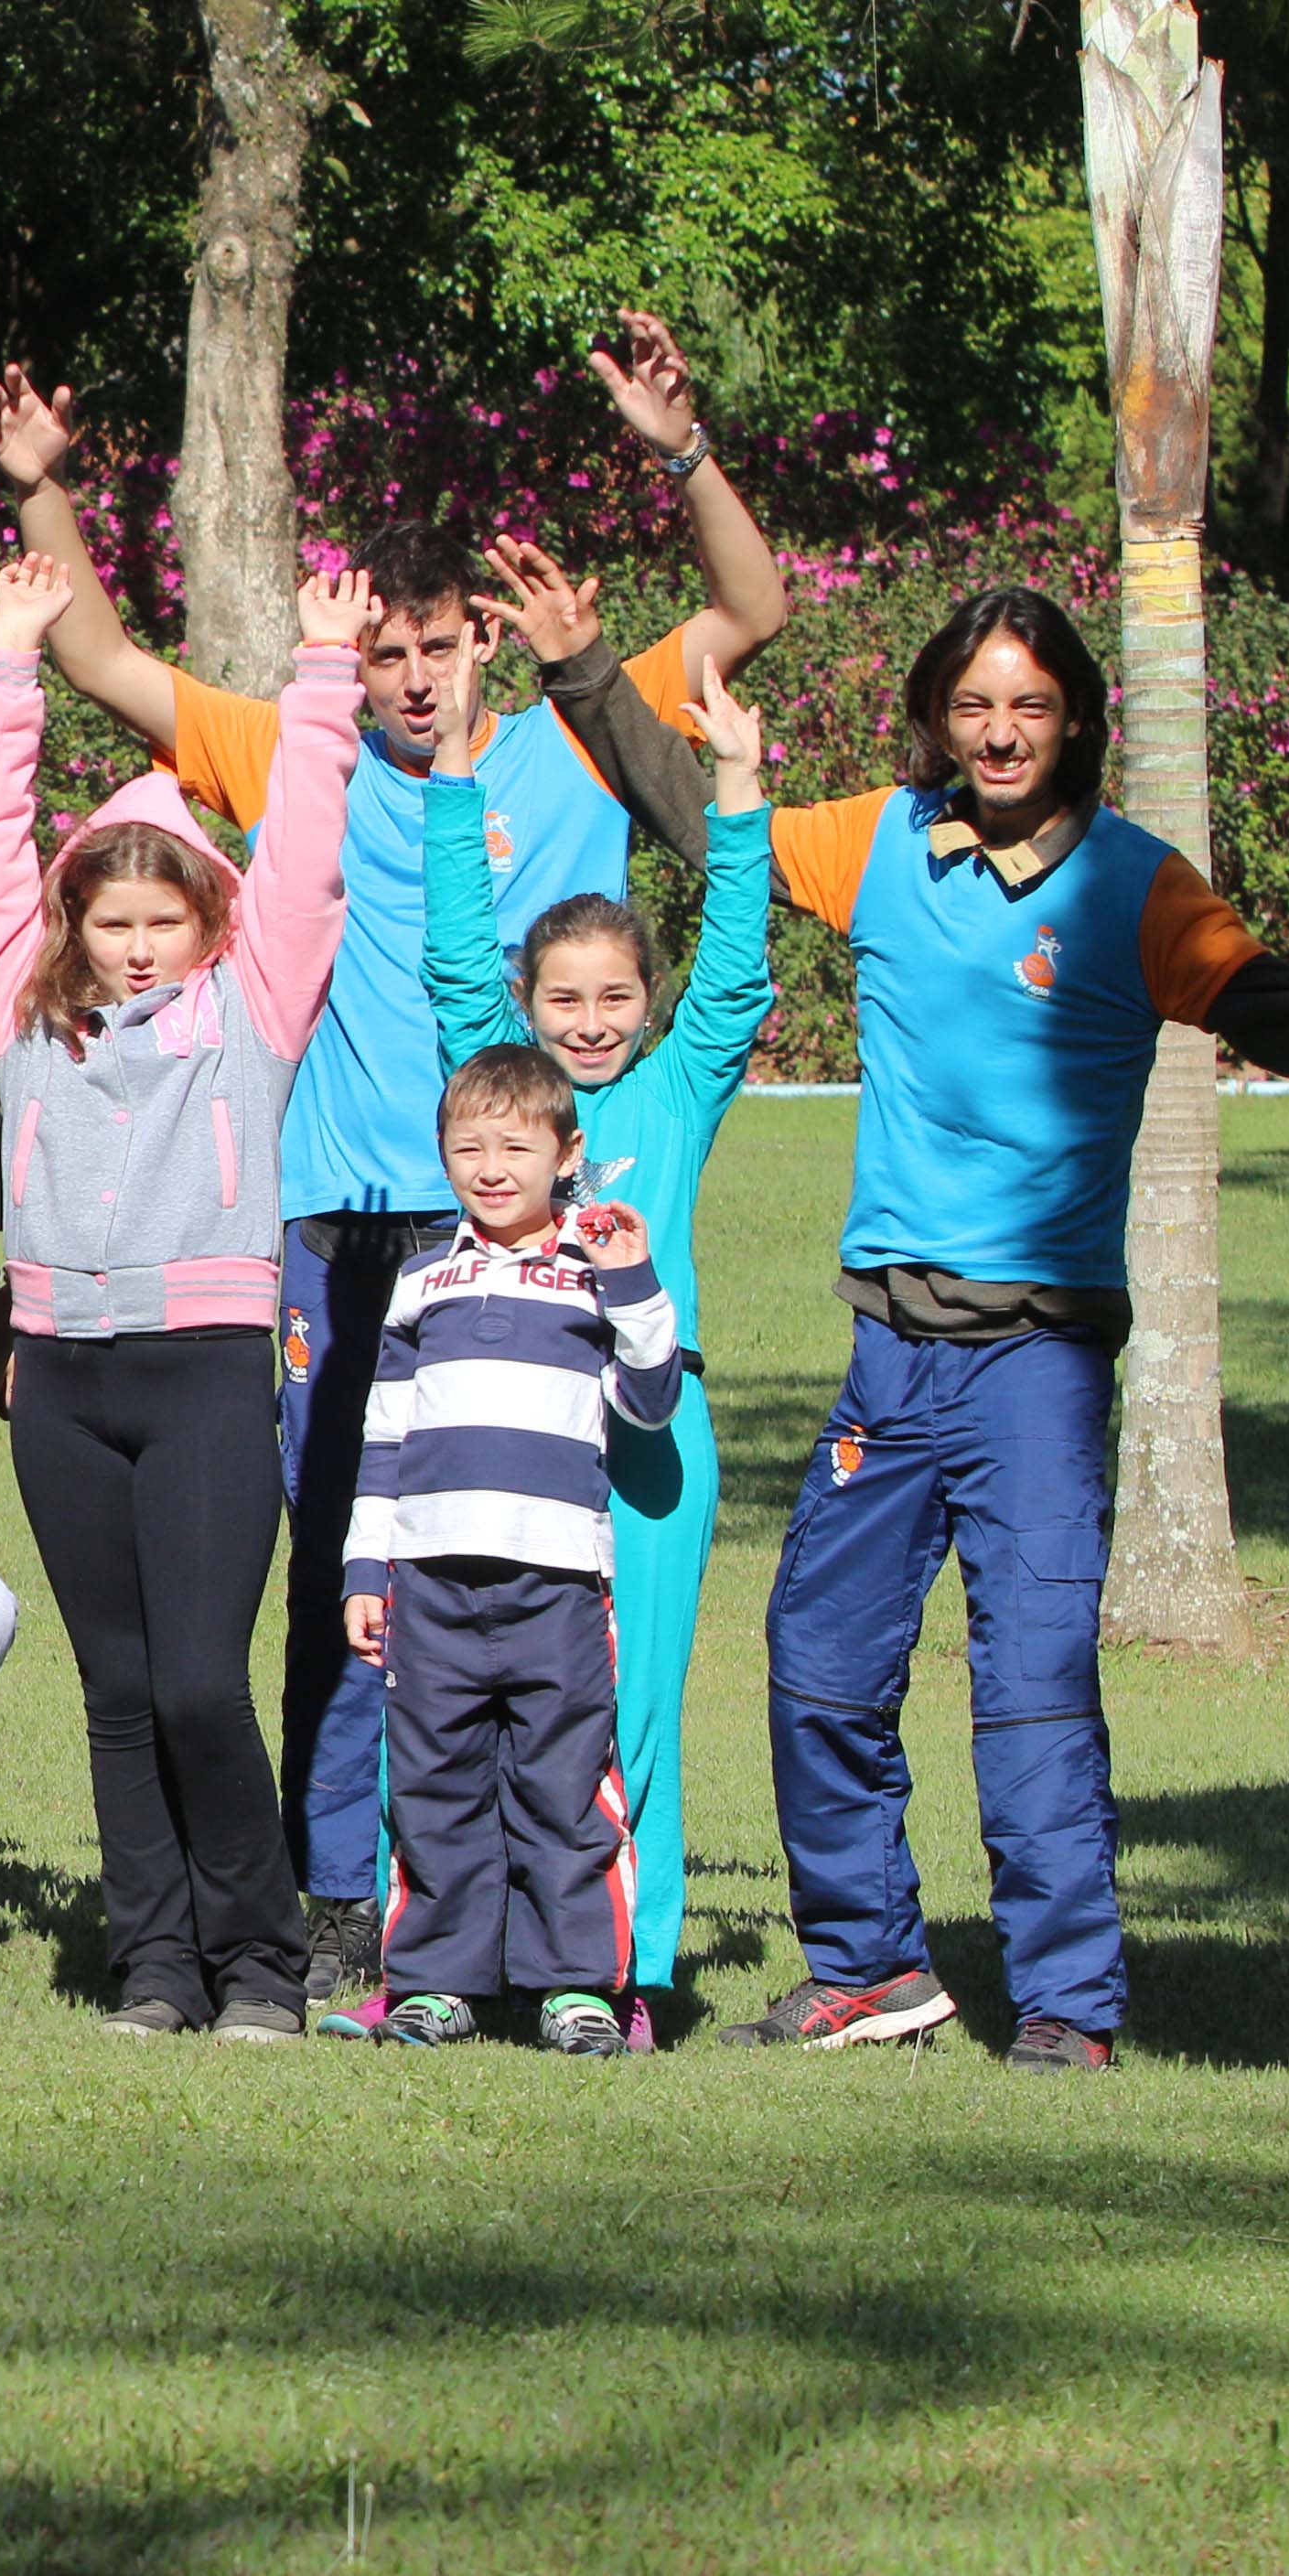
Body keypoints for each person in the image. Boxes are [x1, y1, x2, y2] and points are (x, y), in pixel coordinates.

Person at [0, 317, 793, 2010]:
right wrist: (44, 490)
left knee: (511, 1580)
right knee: (331, 1567)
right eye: (394, 650)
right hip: (312, 1230)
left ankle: (529, 1919)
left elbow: (750, 613)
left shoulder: (564, 741)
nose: (411, 675)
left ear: (479, 640)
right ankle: (331, 1896)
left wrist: (672, 451)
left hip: (501, 1232)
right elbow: (107, 666)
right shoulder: (302, 740)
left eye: (436, 645)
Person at [535, 586, 1289, 2068]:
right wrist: (583, 668)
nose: (999, 729)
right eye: (972, 705)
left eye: (1026, 704)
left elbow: (1261, 1000)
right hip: (886, 1356)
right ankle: (866, 1968)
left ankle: (1065, 2007)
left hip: (1034, 1361)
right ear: (937, 720)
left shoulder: (1131, 888)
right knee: (815, 1657)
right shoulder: (883, 847)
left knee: (1027, 1690)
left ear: (1075, 717)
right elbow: (702, 824)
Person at [0, 553, 362, 2043]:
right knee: (114, 1692)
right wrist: (6, 663)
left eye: (157, 919)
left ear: (203, 921)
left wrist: (319, 679)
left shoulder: (248, 1009)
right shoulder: (20, 1011)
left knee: (196, 1681)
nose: (130, 943)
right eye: (106, 917)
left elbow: (306, 860)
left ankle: (256, 1965)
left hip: (195, 1377)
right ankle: (155, 1964)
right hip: (58, 1379)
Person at [409, 572, 782, 2041]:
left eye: (613, 992)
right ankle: (467, 1960)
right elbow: (454, 962)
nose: (587, 1018)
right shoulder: (516, 1092)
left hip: (649, 1430)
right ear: (531, 1002)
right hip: (507, 1421)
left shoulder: (679, 1089)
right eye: (559, 996)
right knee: (479, 1704)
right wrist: (453, 784)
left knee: (630, 1712)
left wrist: (739, 798)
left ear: (646, 992)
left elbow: (740, 971)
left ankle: (622, 1970)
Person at [342, 1046, 687, 2053]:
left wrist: (634, 1282)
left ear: (565, 1153)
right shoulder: (420, 1282)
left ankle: (578, 1986)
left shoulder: (593, 1273)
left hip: (559, 1583)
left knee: (563, 1781)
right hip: (432, 1585)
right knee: (435, 1782)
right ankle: (437, 1983)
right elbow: (383, 1437)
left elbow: (651, 1400)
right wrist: (368, 1573)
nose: (491, 1168)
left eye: (514, 1146)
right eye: (468, 1147)